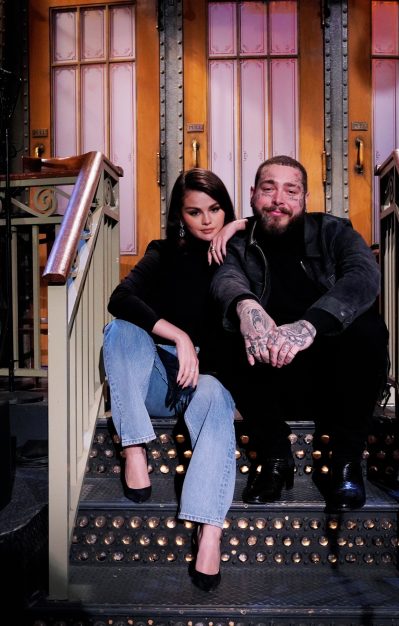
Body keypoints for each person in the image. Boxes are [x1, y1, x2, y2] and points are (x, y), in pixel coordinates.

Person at [211, 155, 389, 511]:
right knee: (226, 332)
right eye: (269, 189)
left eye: (291, 191)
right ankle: (275, 457)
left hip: (333, 380)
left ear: (305, 198)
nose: (279, 199)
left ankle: (346, 462)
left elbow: (364, 276)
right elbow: (225, 279)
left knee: (368, 329)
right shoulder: (239, 244)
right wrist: (247, 308)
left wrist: (309, 326)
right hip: (269, 380)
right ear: (253, 194)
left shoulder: (334, 232)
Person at [103, 168, 246, 591]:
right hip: (158, 377)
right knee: (120, 330)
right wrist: (179, 337)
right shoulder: (163, 253)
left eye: (216, 210)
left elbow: (289, 224)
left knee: (215, 394)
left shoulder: (241, 254)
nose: (207, 220)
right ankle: (134, 446)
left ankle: (210, 531)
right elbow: (120, 298)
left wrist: (240, 226)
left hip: (205, 381)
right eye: (194, 212)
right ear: (179, 217)